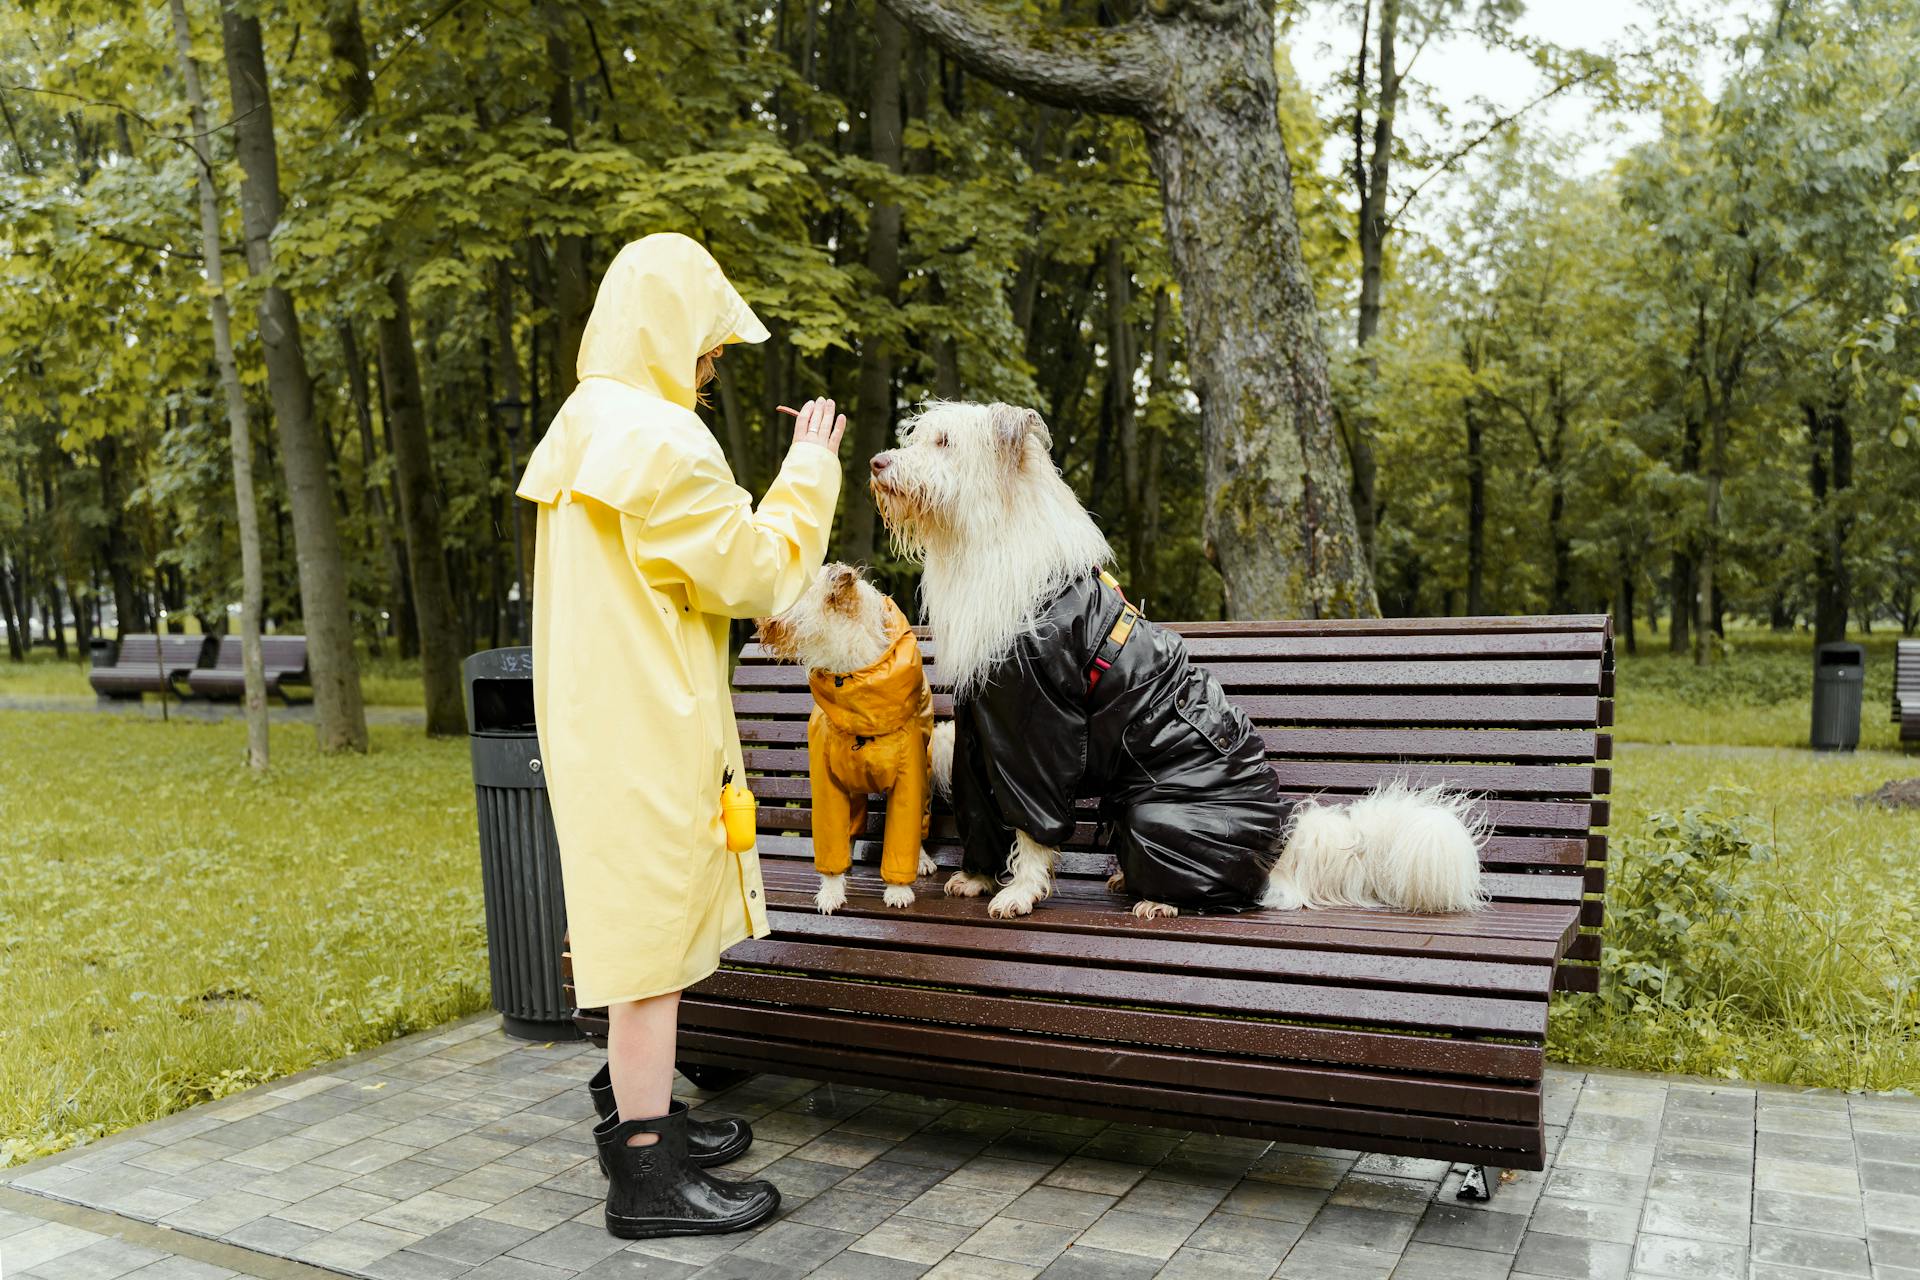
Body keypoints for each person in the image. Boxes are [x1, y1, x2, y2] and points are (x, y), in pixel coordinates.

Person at [516, 232, 845, 1240]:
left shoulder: (587, 423)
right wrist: (809, 468)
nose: (709, 376)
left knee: (636, 927)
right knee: (651, 947)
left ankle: (642, 1107)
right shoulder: (660, 438)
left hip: (597, 715)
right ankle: (646, 1175)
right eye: (707, 354)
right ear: (666, 336)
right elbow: (754, 570)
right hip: (646, 724)